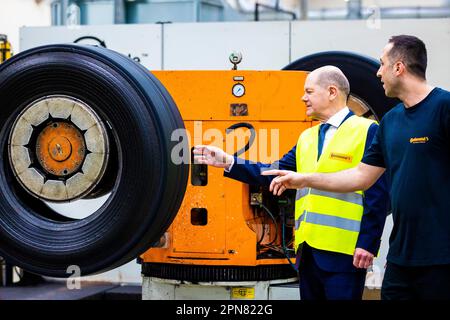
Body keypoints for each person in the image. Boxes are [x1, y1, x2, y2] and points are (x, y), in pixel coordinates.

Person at [264, 35, 450, 300]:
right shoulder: (390, 122)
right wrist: (303, 179)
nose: (378, 72)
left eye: (382, 64)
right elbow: (360, 176)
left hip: (442, 258)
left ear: (399, 67)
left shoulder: (443, 108)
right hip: (400, 259)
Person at [194, 65, 389, 300]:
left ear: (331, 92)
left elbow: (378, 193)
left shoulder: (367, 130)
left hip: (344, 253)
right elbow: (273, 172)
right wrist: (228, 162)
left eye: (309, 91)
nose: (302, 97)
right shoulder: (307, 137)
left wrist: (368, 243)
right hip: (307, 254)